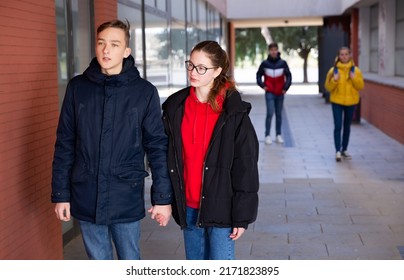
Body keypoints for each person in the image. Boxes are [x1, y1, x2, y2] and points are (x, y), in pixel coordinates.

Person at [51, 19, 172, 260]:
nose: (106, 50)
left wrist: (162, 199)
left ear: (126, 51)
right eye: (101, 43)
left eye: (114, 44)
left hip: (125, 194)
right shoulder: (77, 88)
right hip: (86, 193)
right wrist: (61, 194)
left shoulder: (144, 92)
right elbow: (65, 143)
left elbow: (157, 147)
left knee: (130, 261)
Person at [162, 40, 259, 260]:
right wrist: (163, 198)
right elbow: (167, 158)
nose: (193, 72)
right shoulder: (175, 107)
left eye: (201, 68)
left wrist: (242, 217)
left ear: (217, 71)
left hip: (222, 209)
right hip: (188, 207)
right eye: (190, 65)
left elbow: (246, 166)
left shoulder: (234, 113)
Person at [325, 46, 364, 162]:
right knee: (337, 126)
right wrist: (334, 80)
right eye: (342, 54)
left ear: (350, 55)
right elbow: (327, 87)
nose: (344, 56)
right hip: (337, 101)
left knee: (347, 126)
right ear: (338, 56)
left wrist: (354, 79)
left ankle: (344, 149)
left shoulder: (356, 71)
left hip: (351, 102)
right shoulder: (333, 71)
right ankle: (337, 150)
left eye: (346, 54)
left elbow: (360, 86)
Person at [256, 42, 292, 145]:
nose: (273, 51)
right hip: (270, 93)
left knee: (279, 114)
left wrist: (286, 88)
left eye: (275, 50)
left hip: (280, 92)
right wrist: (263, 85)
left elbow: (289, 76)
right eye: (271, 50)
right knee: (270, 113)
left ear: (277, 50)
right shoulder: (264, 64)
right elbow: (258, 75)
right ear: (269, 51)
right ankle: (267, 135)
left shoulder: (283, 63)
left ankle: (278, 135)